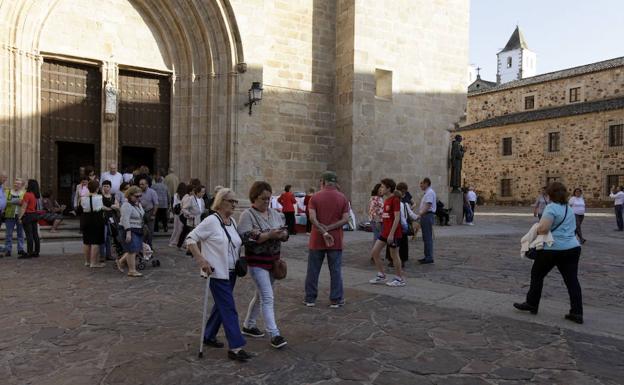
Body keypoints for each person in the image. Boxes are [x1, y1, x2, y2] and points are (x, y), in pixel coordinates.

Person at [186, 188, 252, 362]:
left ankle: (208, 335)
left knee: (221, 306)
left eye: (236, 202)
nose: (234, 204)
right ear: (221, 201)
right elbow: (190, 239)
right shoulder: (211, 221)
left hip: (231, 273)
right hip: (216, 273)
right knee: (229, 308)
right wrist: (202, 261)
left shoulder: (232, 222)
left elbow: (235, 243)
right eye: (231, 201)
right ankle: (236, 347)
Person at [514, 182, 584, 324]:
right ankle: (577, 312)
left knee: (537, 275)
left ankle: (532, 303)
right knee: (572, 281)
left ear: (551, 194)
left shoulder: (551, 208)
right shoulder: (569, 209)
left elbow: (544, 229)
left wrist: (536, 228)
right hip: (572, 248)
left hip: (552, 249)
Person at [238, 181, 289, 349]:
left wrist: (282, 234)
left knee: (261, 296)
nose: (267, 202)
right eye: (263, 199)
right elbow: (245, 237)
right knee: (267, 296)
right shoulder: (247, 215)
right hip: (257, 262)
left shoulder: (274, 213)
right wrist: (268, 235)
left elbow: (285, 232)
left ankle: (249, 325)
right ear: (254, 197)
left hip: (273, 262)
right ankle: (274, 334)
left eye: (269, 198)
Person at [304, 171, 350, 307]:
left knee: (313, 270)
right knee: (335, 270)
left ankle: (310, 298)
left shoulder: (315, 197)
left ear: (322, 182)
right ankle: (336, 299)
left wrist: (323, 230)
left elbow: (312, 218)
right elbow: (346, 219)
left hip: (317, 238)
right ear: (335, 183)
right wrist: (330, 228)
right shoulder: (343, 198)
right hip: (335, 239)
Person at [369, 178, 406, 287]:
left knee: (394, 255)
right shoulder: (386, 200)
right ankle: (381, 274)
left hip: (393, 233)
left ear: (388, 188)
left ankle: (399, 278)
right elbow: (386, 217)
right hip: (385, 232)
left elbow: (397, 217)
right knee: (375, 252)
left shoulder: (395, 200)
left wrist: (391, 234)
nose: (380, 189)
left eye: (382, 187)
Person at [117, 186, 145, 277]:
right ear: (130, 195)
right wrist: (128, 232)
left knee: (135, 249)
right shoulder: (126, 205)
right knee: (132, 250)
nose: (138, 198)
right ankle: (132, 270)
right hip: (129, 229)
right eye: (136, 196)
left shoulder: (137, 204)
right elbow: (125, 219)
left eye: (140, 196)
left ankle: (120, 261)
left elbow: (141, 215)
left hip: (137, 229)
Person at [79, 180, 106, 268]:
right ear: (97, 188)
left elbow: (80, 209)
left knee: (86, 241)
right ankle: (93, 262)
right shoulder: (100, 197)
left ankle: (87, 261)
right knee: (95, 241)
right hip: (97, 219)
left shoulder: (83, 198)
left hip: (86, 218)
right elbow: (106, 205)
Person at [19, 179, 41, 258]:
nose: (26, 184)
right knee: (35, 234)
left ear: (30, 185)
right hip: (34, 215)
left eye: (27, 183)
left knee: (29, 235)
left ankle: (29, 253)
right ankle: (36, 251)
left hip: (28, 215)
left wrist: (20, 217)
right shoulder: (34, 195)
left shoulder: (27, 194)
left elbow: (23, 208)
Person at [3, 178, 26, 257]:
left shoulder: (24, 193)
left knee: (20, 233)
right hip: (9, 215)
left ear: (22, 185)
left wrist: (21, 203)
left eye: (18, 183)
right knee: (8, 233)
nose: (16, 184)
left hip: (20, 215)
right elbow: (3, 201)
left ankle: (20, 249)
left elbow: (26, 203)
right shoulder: (7, 192)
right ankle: (8, 250)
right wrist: (10, 202)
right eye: (15, 183)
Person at [416, 178, 436, 264]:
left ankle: (429, 257)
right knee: (426, 237)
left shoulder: (429, 193)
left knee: (427, 237)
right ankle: (427, 256)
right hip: (426, 216)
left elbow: (428, 204)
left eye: (422, 183)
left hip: (427, 216)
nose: (420, 185)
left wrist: (420, 214)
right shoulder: (428, 193)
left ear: (427, 183)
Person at [177, 184, 203, 249]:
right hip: (190, 219)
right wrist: (189, 214)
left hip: (198, 221)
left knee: (186, 232)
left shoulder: (201, 200)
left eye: (204, 192)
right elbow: (183, 208)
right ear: (197, 192)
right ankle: (189, 247)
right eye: (202, 192)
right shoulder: (189, 198)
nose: (203, 193)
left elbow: (201, 210)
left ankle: (186, 246)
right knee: (190, 234)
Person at [100, 180, 119, 260]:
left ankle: (109, 255)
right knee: (103, 238)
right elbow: (101, 206)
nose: (106, 188)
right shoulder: (100, 196)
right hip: (103, 219)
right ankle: (102, 255)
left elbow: (117, 206)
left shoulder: (113, 196)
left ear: (110, 187)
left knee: (109, 237)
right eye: (104, 186)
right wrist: (112, 206)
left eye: (107, 186)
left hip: (111, 219)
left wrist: (109, 206)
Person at [138, 178, 159, 246]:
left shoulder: (152, 192)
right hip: (141, 213)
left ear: (147, 184)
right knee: (142, 230)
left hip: (150, 212)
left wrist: (153, 214)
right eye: (140, 184)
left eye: (142, 184)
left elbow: (156, 203)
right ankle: (142, 245)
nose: (141, 186)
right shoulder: (138, 192)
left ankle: (149, 245)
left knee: (150, 230)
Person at [169, 182, 186, 247]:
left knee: (175, 228)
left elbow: (174, 205)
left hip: (177, 213)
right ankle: (177, 241)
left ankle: (172, 241)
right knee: (180, 228)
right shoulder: (185, 195)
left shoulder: (176, 195)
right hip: (183, 213)